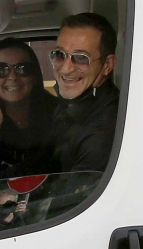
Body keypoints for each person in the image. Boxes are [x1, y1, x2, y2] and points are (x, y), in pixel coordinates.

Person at [0, 40, 57, 181]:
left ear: (34, 76)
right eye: (1, 69)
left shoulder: (54, 109)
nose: (13, 77)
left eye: (23, 68)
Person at [48, 12, 119, 175]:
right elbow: (44, 161)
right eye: (59, 55)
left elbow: (73, 198)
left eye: (80, 58)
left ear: (107, 65)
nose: (65, 69)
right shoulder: (73, 102)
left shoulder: (101, 132)